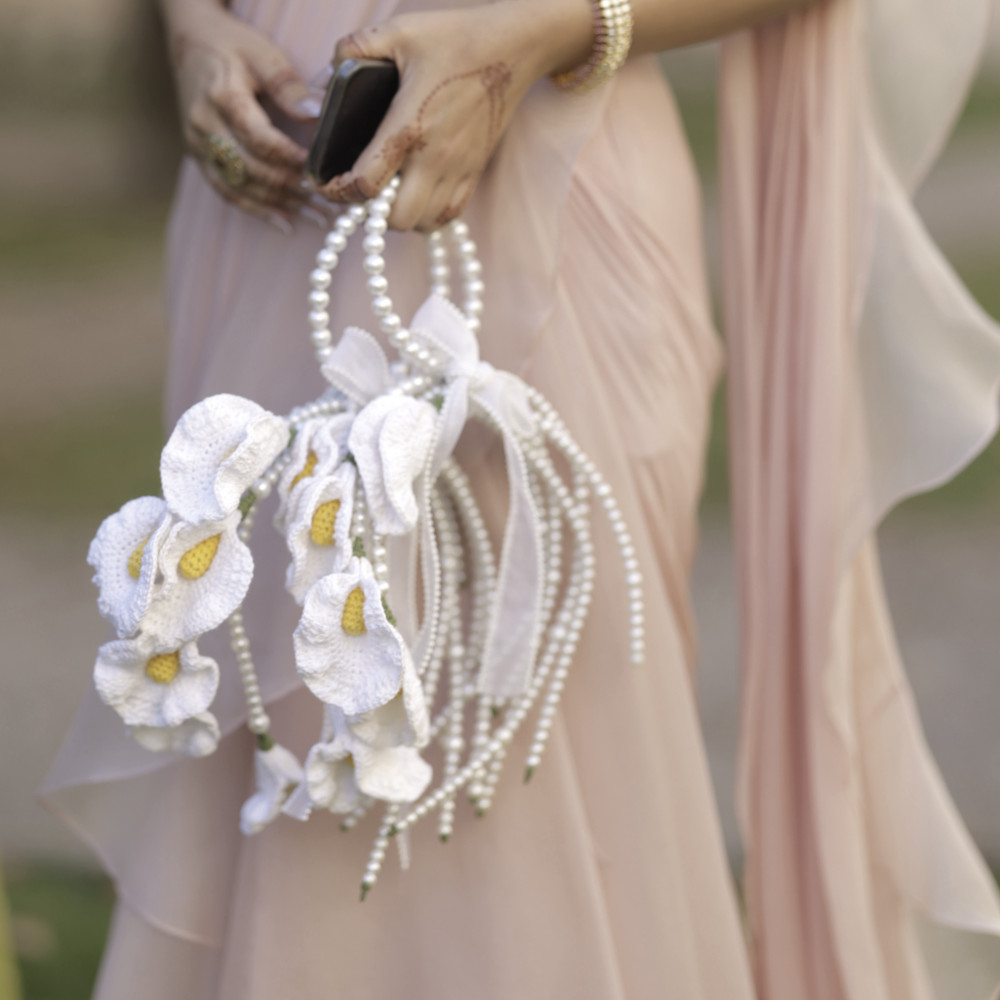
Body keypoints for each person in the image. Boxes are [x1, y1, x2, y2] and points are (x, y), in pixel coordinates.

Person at [42, 0, 1000, 997]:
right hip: (270, 193)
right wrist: (191, 29)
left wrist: (544, 32)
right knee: (266, 774)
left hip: (552, 212)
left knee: (534, 785)